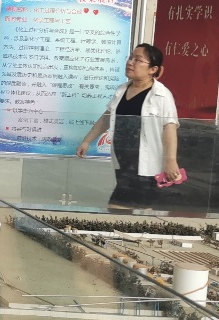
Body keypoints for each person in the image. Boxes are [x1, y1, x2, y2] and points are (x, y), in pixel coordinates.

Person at [77, 43, 181, 212]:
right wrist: (87, 140)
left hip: (147, 170)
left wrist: (171, 161)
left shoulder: (161, 95)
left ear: (153, 69)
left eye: (138, 60)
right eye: (131, 58)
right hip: (124, 165)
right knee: (120, 213)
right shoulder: (122, 90)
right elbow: (107, 117)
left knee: (132, 214)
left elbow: (170, 128)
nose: (130, 62)